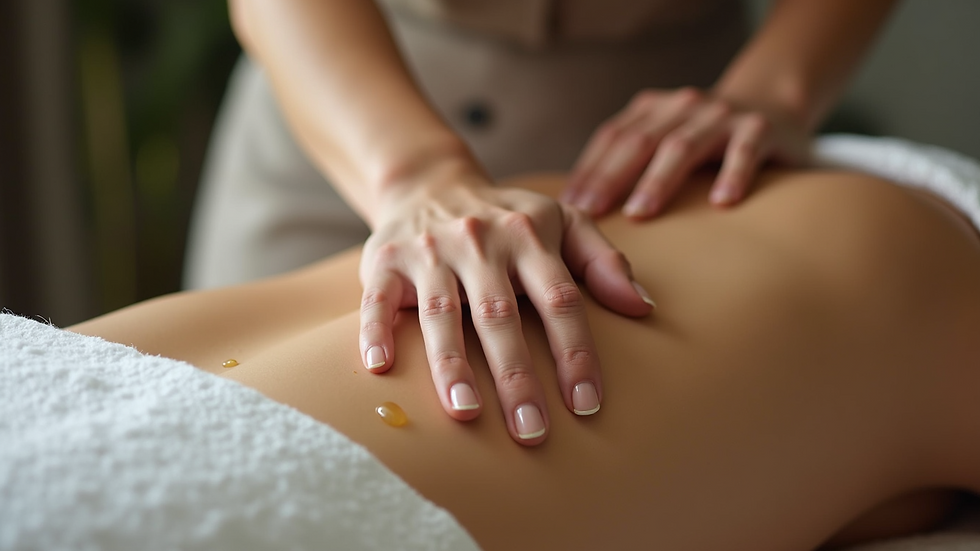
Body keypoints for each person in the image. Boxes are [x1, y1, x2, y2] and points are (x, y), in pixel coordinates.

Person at [79, 168, 980, 550]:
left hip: (602, 172)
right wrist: (420, 172)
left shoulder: (903, 275)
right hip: (367, 148)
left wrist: (781, 80)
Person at [184, 0, 897, 443]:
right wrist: (416, 175)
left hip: (655, 145)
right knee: (207, 422)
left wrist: (776, 85)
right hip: (341, 102)